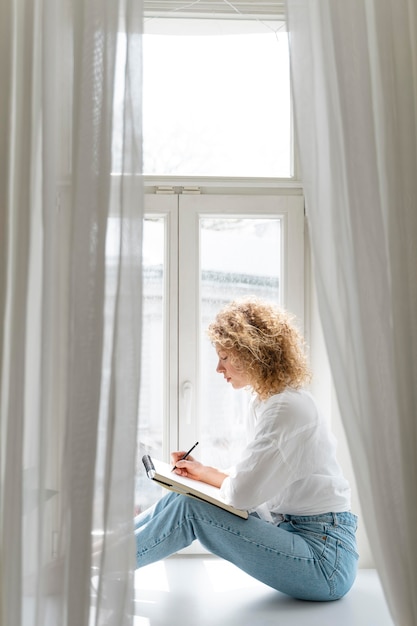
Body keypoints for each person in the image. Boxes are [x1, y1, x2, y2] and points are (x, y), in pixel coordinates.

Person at [134, 297, 358, 601]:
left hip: (324, 559)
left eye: (224, 356)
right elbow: (251, 478)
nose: (218, 368)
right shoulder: (267, 401)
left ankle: (94, 566)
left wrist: (206, 478)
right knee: (182, 495)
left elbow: (243, 493)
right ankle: (100, 551)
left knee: (190, 507)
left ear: (251, 354)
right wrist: (201, 473)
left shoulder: (286, 408)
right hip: (296, 534)